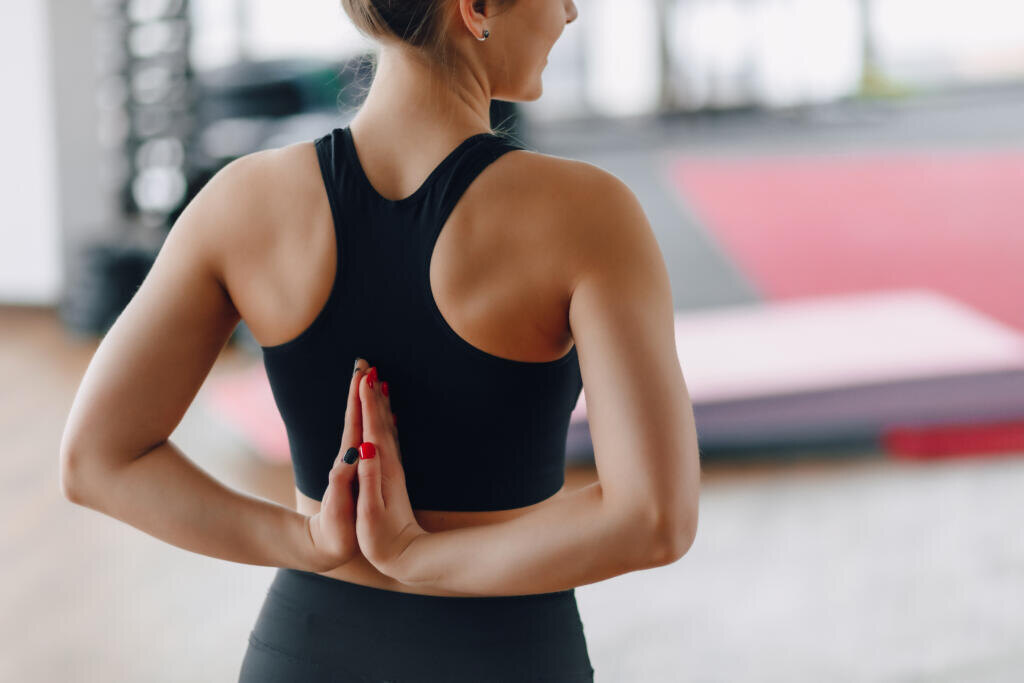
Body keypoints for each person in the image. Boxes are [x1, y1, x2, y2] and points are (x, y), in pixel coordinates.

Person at [59, 0, 701, 680]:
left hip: (304, 650)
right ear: (476, 7)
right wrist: (419, 558)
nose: (571, 12)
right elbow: (655, 515)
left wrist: (306, 539)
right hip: (508, 656)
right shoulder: (588, 213)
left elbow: (98, 458)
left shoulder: (243, 202)